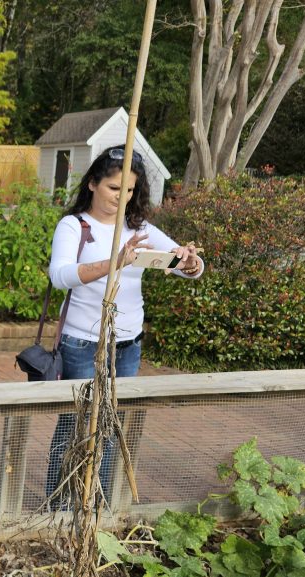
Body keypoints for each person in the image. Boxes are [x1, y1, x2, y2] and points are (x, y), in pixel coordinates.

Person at [45, 145, 204, 501]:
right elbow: (61, 275)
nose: (122, 197)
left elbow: (181, 263)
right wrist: (115, 261)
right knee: (76, 428)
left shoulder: (139, 228)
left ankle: (96, 504)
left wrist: (190, 263)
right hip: (83, 344)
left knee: (110, 426)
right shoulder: (75, 226)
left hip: (128, 345)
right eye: (114, 188)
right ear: (92, 185)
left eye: (130, 190)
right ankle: (57, 507)